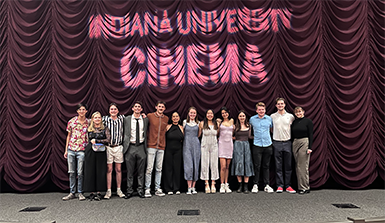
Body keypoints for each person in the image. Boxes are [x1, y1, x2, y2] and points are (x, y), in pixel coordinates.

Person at [63, 103, 89, 201]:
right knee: (71, 172)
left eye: (83, 109)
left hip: (82, 150)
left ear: (86, 111)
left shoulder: (88, 122)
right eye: (80, 109)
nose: (82, 111)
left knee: (80, 172)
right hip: (71, 149)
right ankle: (72, 192)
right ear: (77, 111)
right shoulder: (71, 122)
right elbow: (68, 136)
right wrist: (66, 150)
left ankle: (80, 192)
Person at [123, 101, 148, 199]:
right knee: (129, 171)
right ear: (132, 108)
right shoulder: (127, 119)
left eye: (139, 107)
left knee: (141, 171)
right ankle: (129, 191)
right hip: (130, 147)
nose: (137, 108)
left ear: (141, 109)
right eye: (135, 107)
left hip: (141, 146)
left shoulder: (145, 120)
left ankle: (140, 190)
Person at [270, 98, 296, 193]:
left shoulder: (290, 116)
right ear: (276, 105)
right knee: (278, 166)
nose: (280, 105)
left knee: (288, 165)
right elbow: (271, 129)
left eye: (282, 104)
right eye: (278, 104)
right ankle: (280, 185)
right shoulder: (272, 116)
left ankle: (288, 185)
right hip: (276, 142)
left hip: (287, 142)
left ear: (285, 105)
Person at [84, 111, 110, 201]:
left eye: (99, 117)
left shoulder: (105, 128)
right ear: (92, 119)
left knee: (100, 171)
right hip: (90, 151)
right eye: (95, 118)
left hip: (101, 151)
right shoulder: (89, 128)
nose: (97, 119)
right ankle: (91, 192)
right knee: (90, 171)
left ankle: (99, 192)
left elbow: (108, 139)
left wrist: (98, 141)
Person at [144, 101, 169, 198]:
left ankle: (157, 188)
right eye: (159, 106)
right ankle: (147, 188)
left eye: (162, 107)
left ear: (164, 109)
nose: (161, 108)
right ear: (156, 107)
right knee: (149, 168)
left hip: (161, 146)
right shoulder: (150, 116)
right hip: (151, 146)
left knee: (159, 168)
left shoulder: (166, 118)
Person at [249, 102, 274, 193]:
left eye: (262, 109)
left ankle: (266, 185)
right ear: (256, 110)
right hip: (257, 145)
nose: (261, 111)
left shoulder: (269, 119)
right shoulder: (252, 119)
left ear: (265, 110)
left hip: (268, 145)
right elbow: (250, 131)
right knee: (257, 166)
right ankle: (255, 184)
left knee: (266, 166)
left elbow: (271, 130)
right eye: (259, 109)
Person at [103, 103, 125, 199]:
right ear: (109, 111)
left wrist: (143, 115)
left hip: (118, 147)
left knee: (119, 169)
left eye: (115, 109)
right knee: (109, 169)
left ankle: (119, 189)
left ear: (118, 111)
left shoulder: (122, 119)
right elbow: (94, 120)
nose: (113, 111)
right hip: (108, 147)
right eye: (111, 109)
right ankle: (108, 191)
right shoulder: (105, 119)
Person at [291, 106, 313, 195]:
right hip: (295, 142)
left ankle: (304, 187)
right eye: (296, 112)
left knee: (302, 166)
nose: (298, 114)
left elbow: (311, 134)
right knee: (297, 165)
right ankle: (301, 186)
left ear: (303, 112)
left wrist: (309, 147)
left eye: (300, 112)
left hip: (304, 141)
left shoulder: (308, 121)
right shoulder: (294, 122)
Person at [232, 110, 254, 193]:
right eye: (240, 116)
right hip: (237, 146)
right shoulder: (235, 126)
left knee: (246, 164)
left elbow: (249, 136)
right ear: (238, 117)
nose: (242, 117)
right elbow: (231, 136)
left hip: (246, 146)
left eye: (243, 116)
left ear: (245, 117)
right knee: (239, 164)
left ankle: (246, 186)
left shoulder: (249, 126)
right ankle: (240, 185)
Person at [163, 112, 184, 195]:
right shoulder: (167, 127)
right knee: (168, 169)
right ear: (171, 118)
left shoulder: (181, 128)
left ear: (179, 118)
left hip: (178, 150)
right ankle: (168, 188)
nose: (175, 118)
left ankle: (176, 188)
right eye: (174, 116)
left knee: (177, 169)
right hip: (168, 150)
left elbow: (183, 139)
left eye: (177, 116)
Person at [199, 109, 219, 194]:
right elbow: (199, 135)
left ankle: (213, 183)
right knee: (205, 164)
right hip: (204, 145)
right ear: (206, 115)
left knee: (214, 164)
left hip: (214, 146)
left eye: (211, 113)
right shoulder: (202, 123)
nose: (210, 115)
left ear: (213, 115)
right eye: (208, 113)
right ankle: (206, 183)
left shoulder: (217, 124)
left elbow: (218, 134)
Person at [183, 107, 201, 194]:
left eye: (194, 113)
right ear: (188, 113)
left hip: (196, 145)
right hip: (187, 145)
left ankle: (194, 187)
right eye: (191, 113)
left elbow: (199, 134)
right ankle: (189, 187)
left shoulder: (198, 123)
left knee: (195, 165)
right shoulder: (184, 122)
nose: (192, 114)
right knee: (188, 166)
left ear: (196, 114)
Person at [217, 107, 234, 193]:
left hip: (229, 144)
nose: (224, 114)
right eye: (223, 113)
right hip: (222, 145)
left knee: (227, 166)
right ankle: (222, 184)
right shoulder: (219, 122)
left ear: (228, 113)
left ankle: (227, 184)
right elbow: (217, 133)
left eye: (225, 113)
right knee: (222, 166)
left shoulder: (232, 121)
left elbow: (234, 132)